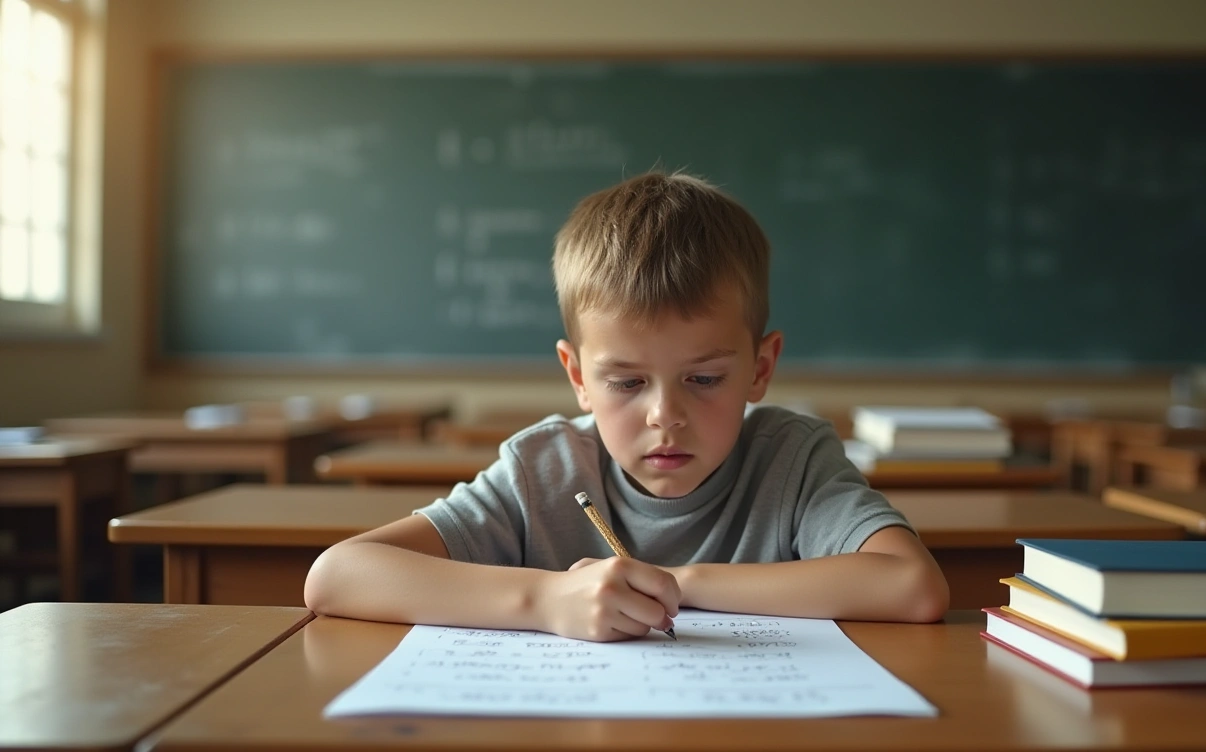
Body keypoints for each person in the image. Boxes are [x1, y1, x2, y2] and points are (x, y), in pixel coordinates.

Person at [305, 172, 949, 641]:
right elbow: (338, 575)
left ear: (760, 369)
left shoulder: (792, 459)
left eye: (703, 379)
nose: (664, 416)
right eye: (625, 383)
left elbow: (911, 586)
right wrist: (547, 600)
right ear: (577, 376)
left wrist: (677, 582)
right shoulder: (545, 468)